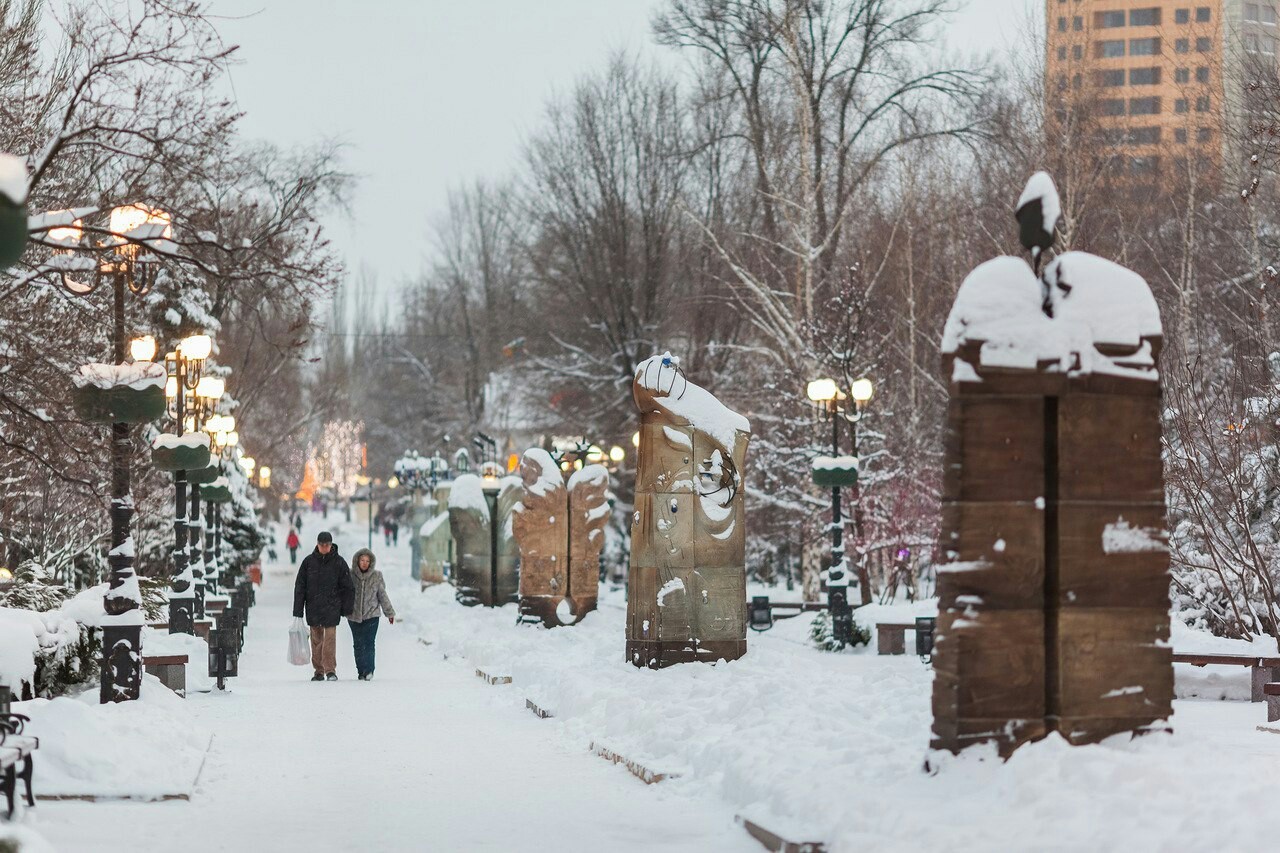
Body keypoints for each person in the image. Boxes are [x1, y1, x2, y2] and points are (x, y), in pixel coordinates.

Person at [293, 531, 354, 681]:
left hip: (332, 606)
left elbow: (348, 586)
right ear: (317, 544)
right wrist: (298, 610)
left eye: (327, 545)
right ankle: (318, 671)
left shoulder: (339, 562)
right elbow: (300, 586)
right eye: (322, 545)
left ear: (331, 545)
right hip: (314, 606)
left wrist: (346, 608)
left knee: (330, 639)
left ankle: (330, 670)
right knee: (316, 640)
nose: (325, 548)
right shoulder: (308, 562)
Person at [347, 548, 396, 681]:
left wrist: (389, 613)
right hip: (354, 616)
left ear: (371, 563)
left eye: (367, 561)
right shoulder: (350, 575)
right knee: (358, 643)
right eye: (362, 560)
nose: (364, 563)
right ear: (357, 561)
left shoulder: (377, 576)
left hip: (372, 615)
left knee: (369, 643)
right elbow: (343, 594)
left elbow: (382, 595)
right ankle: (361, 671)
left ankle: (369, 670)